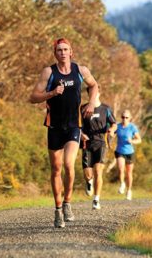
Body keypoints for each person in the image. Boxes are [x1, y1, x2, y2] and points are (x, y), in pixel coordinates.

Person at [29, 38, 98, 228]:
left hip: (74, 126)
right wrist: (51, 93)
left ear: (71, 52)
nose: (62, 53)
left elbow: (94, 85)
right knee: (56, 168)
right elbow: (33, 97)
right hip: (54, 127)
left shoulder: (80, 71)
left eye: (65, 49)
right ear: (55, 53)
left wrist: (91, 103)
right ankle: (58, 209)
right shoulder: (49, 72)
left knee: (69, 164)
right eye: (59, 50)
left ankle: (67, 203)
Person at [80, 86, 116, 209]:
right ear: (88, 94)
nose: (93, 94)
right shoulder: (83, 108)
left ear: (99, 93)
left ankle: (96, 199)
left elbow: (114, 123)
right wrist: (81, 134)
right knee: (88, 174)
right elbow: (77, 125)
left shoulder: (105, 109)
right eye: (91, 92)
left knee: (98, 171)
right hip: (87, 143)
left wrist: (111, 129)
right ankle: (89, 182)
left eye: (95, 92)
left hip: (101, 142)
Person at [114, 110, 141, 200]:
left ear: (130, 118)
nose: (124, 119)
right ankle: (122, 184)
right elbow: (111, 134)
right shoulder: (117, 127)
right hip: (119, 151)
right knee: (121, 169)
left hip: (130, 152)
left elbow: (139, 140)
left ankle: (129, 191)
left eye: (126, 117)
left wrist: (132, 141)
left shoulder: (132, 127)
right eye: (122, 117)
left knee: (129, 173)